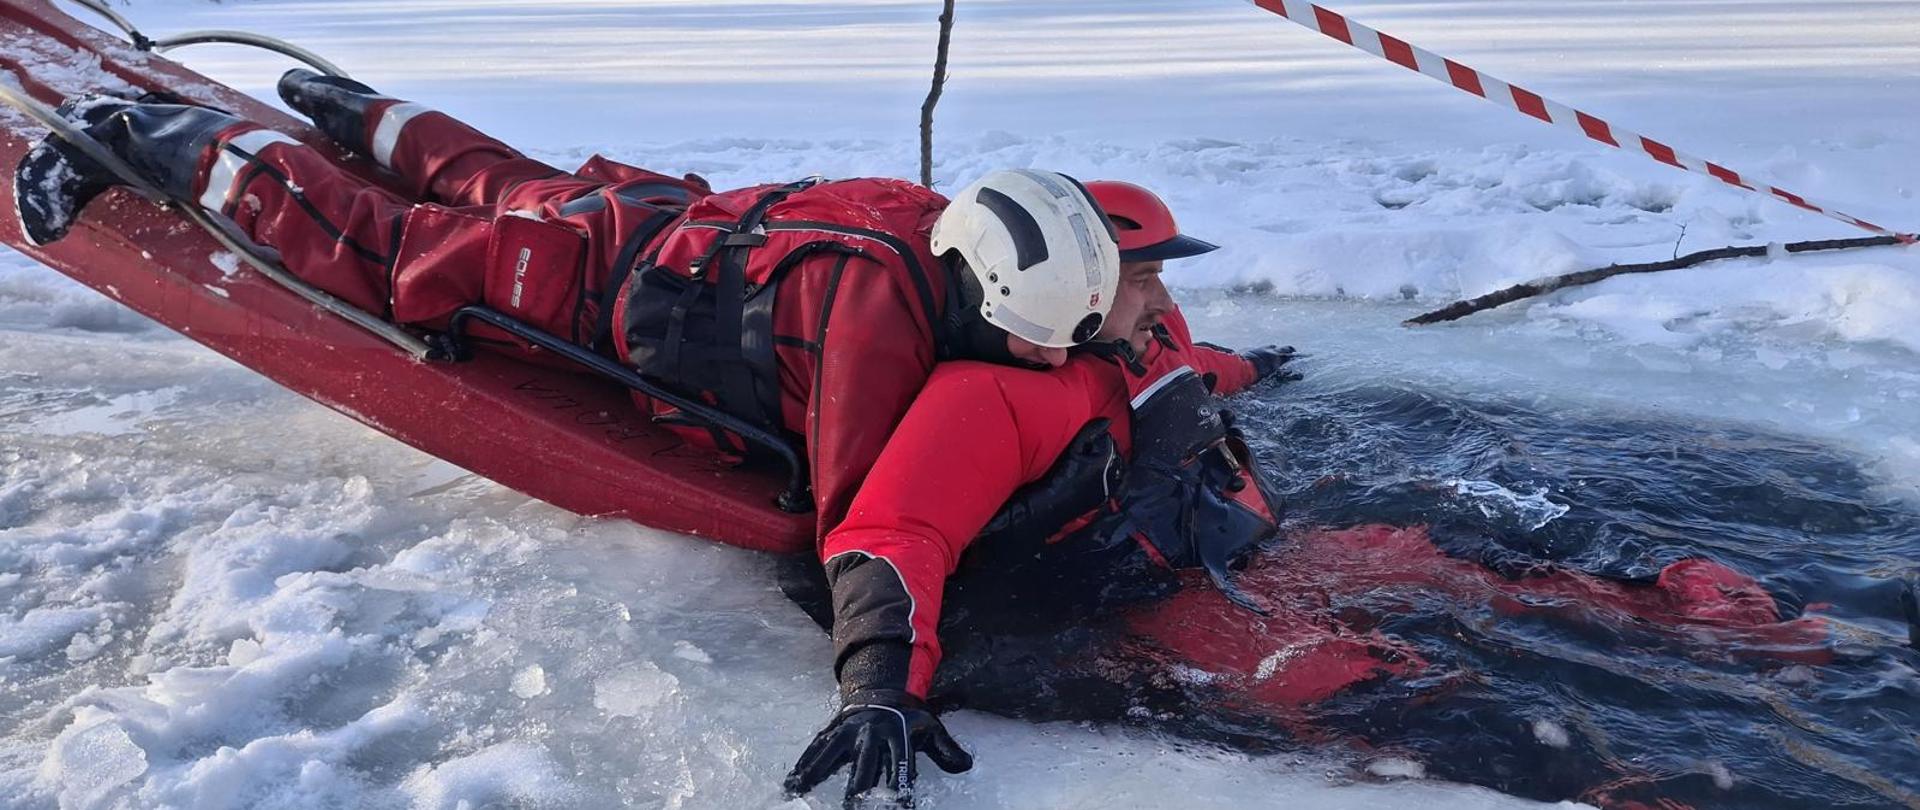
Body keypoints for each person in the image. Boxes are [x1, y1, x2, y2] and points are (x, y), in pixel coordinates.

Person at [12, 72, 1119, 543]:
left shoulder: (917, 211)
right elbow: (852, 515)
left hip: (648, 213)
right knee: (372, 246)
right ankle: (136, 135)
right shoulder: (874, 326)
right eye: (1031, 334)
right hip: (582, 280)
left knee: (495, 172)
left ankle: (355, 110)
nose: (1038, 354)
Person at [783, 180, 1303, 807]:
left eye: (1159, 276)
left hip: (1239, 555)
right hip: (1157, 606)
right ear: (1076, 283)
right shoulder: (997, 397)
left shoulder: (1145, 337)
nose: (1163, 300)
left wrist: (1258, 367)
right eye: (1140, 279)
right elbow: (897, 530)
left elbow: (1191, 366)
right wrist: (880, 689)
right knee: (1361, 697)